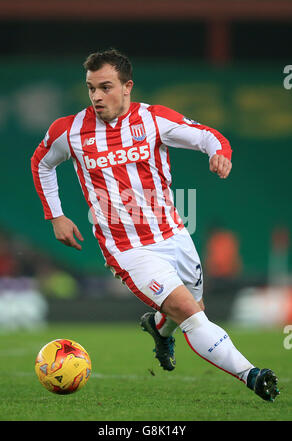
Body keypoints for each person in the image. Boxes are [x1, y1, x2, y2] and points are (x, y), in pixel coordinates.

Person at [31, 49, 279, 402]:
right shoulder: (69, 130)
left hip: (174, 236)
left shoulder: (153, 119)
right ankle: (252, 374)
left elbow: (207, 135)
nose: (97, 96)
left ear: (127, 86)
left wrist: (219, 152)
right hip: (127, 249)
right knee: (191, 314)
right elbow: (41, 162)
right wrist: (55, 214)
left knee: (194, 307)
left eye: (106, 87)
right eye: (91, 88)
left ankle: (160, 329)